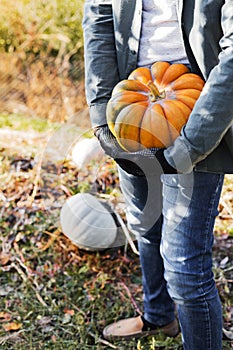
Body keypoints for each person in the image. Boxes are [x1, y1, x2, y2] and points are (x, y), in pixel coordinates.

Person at [82, 1, 233, 349]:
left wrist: (190, 147)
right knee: (145, 223)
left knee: (184, 267)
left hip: (197, 105)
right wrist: (103, 114)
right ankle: (159, 316)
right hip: (131, 97)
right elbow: (100, 15)